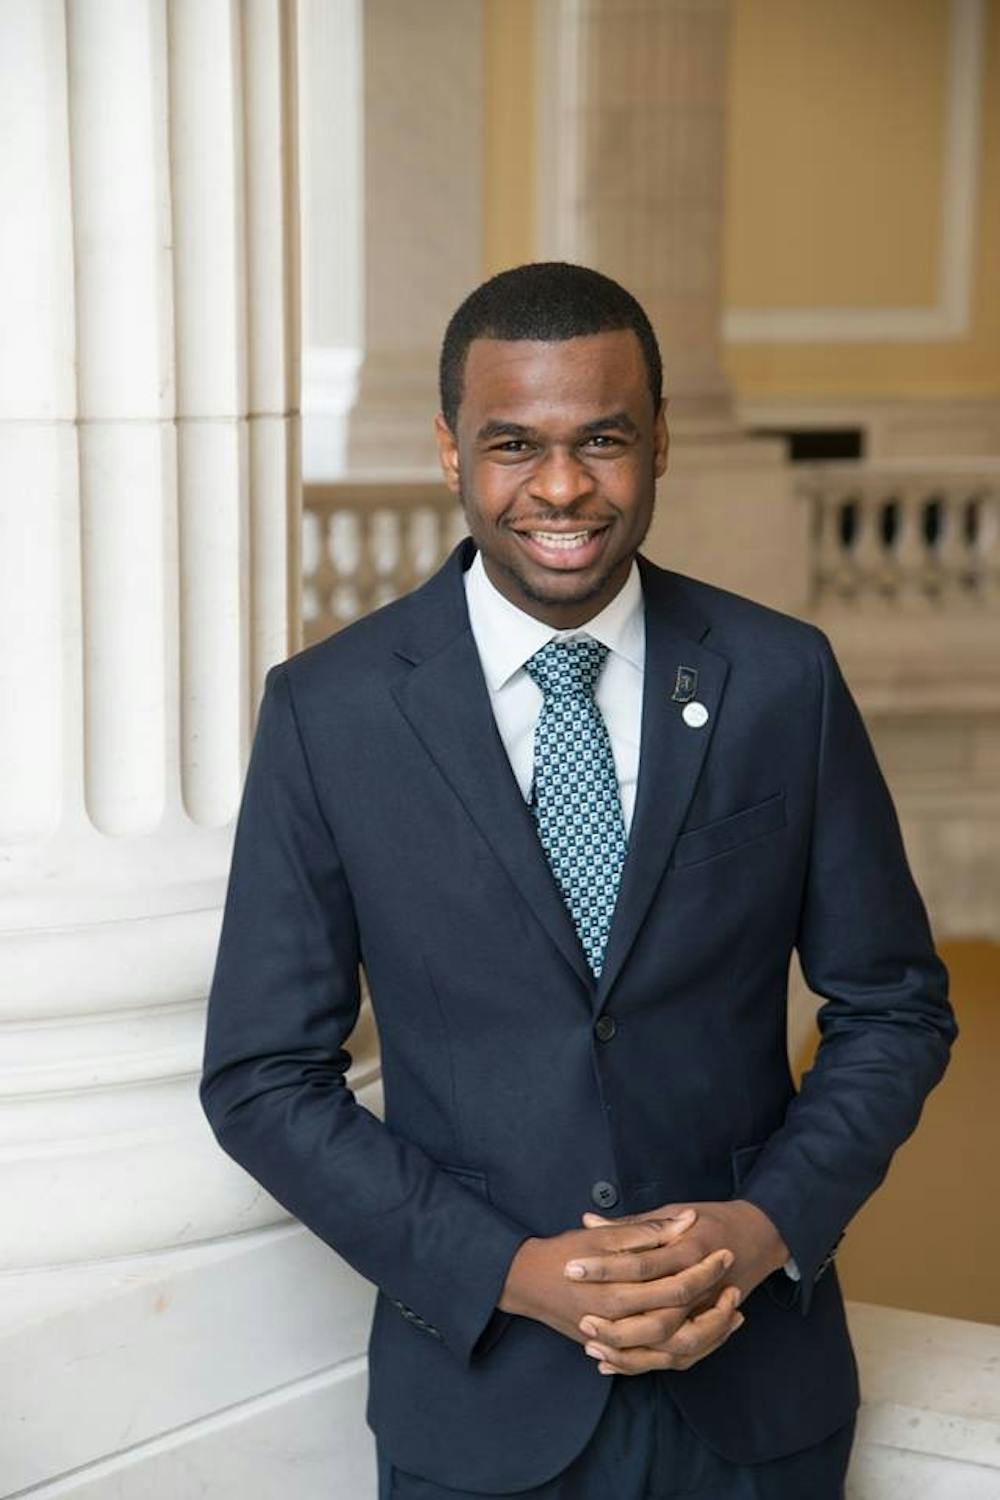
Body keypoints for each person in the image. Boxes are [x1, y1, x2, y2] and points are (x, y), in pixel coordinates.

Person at [200, 262, 956, 1498]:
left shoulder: (781, 679)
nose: (561, 488)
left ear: (657, 440)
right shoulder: (328, 715)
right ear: (450, 450)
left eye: (601, 439)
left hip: (756, 1396)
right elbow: (262, 1077)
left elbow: (893, 1009)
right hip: (479, 1403)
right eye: (514, 445)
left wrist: (758, 1233)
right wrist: (509, 1271)